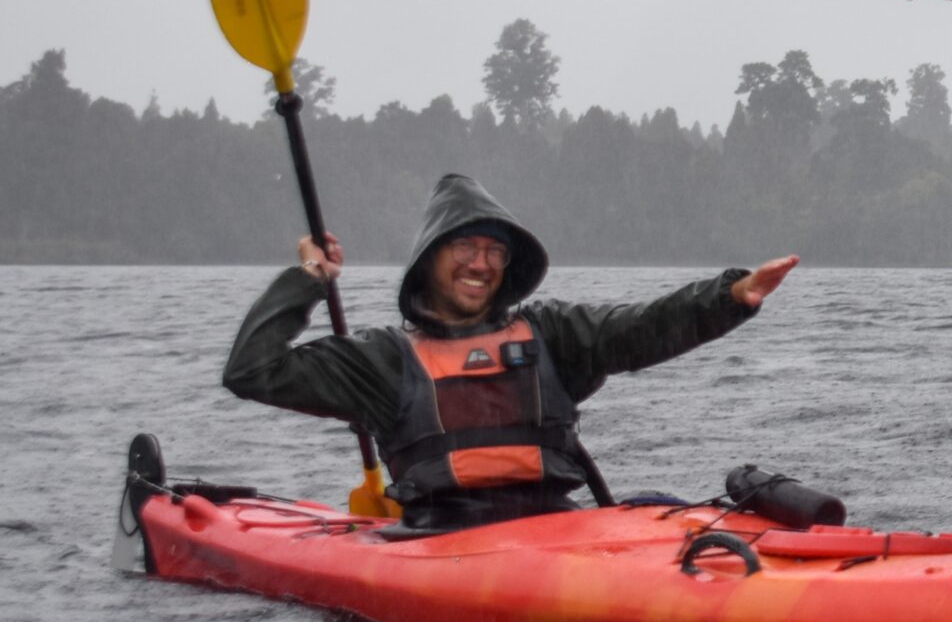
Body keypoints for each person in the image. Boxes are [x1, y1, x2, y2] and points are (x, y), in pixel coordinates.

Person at [223, 171, 797, 532]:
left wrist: (730, 297)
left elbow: (643, 327)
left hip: (560, 533)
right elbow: (253, 370)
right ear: (429, 258)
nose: (480, 264)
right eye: (464, 247)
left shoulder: (551, 334)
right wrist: (307, 278)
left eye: (494, 251)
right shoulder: (381, 360)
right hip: (438, 541)